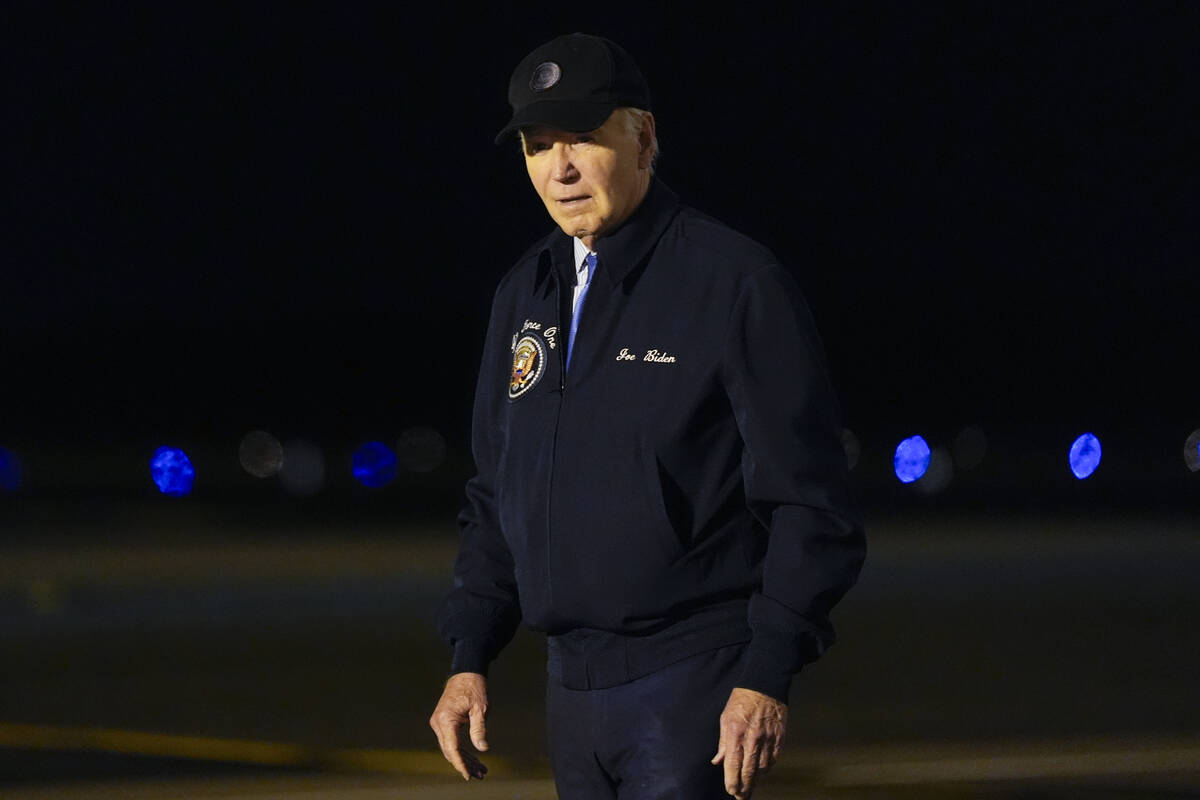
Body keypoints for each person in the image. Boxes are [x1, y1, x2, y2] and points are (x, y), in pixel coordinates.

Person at [430, 32, 866, 800]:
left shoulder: (732, 284)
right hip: (570, 694)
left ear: (644, 138)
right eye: (537, 147)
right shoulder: (522, 295)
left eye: (584, 140)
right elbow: (498, 493)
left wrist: (766, 673)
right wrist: (469, 654)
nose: (558, 169)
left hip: (690, 687)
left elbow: (811, 503)